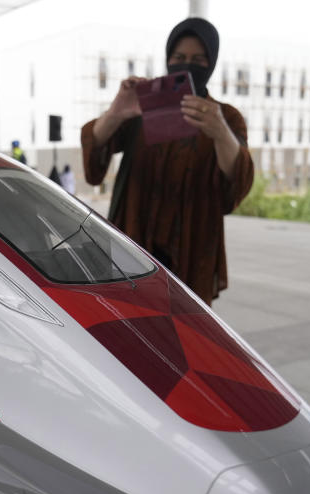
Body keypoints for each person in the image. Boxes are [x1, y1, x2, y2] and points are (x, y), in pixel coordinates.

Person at [81, 17, 253, 305]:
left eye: (198, 59)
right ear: (167, 59)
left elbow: (236, 183)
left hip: (192, 247)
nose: (188, 65)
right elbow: (94, 161)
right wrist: (116, 113)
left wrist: (220, 132)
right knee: (131, 325)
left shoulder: (226, 116)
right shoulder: (143, 106)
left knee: (183, 333)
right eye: (179, 57)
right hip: (134, 241)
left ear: (211, 63)